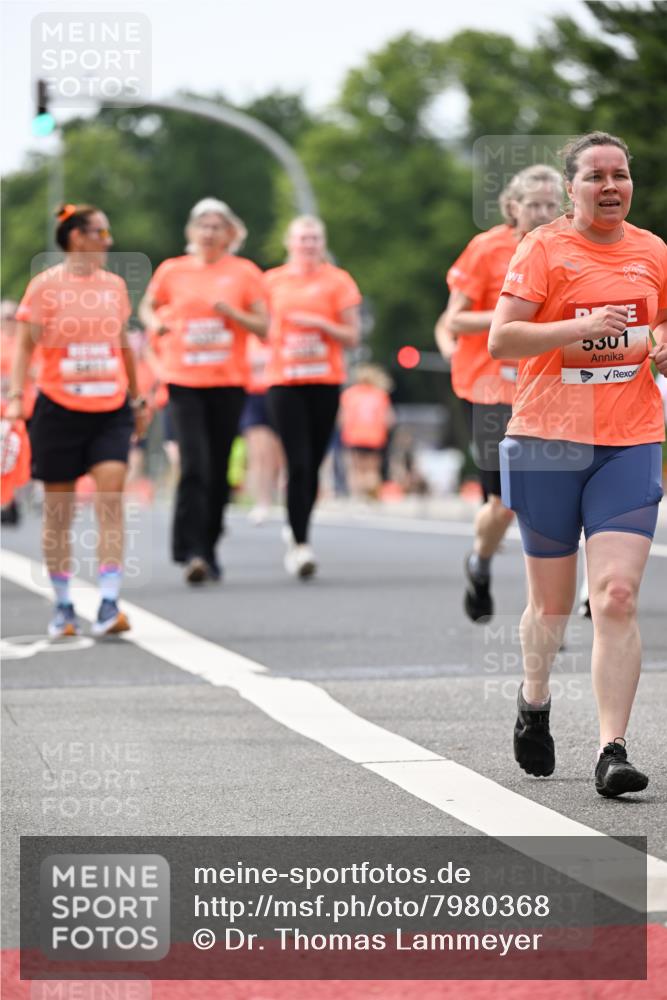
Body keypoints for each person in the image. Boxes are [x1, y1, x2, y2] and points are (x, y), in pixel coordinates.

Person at [489, 132, 667, 798]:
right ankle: (533, 699)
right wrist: (578, 330)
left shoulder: (653, 251)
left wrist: (659, 345)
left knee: (616, 596)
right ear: (571, 189)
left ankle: (611, 749)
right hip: (546, 441)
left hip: (629, 438)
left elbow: (661, 322)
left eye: (620, 175)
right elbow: (502, 337)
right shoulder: (542, 248)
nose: (610, 187)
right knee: (552, 606)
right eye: (594, 176)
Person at [6, 203, 149, 637]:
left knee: (110, 495)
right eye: (101, 233)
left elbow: (123, 344)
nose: (108, 242)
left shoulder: (114, 287)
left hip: (110, 408)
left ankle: (109, 601)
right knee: (60, 512)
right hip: (58, 407)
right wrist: (15, 397)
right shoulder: (45, 287)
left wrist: (138, 397)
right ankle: (63, 605)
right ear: (76, 238)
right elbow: (25, 349)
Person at [437, 165, 563, 622]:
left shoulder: (567, 247)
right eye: (535, 205)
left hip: (547, 388)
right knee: (503, 503)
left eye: (552, 205)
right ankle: (481, 561)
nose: (544, 213)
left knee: (545, 499)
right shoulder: (486, 248)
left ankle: (546, 610)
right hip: (490, 388)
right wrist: (513, 317)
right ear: (513, 206)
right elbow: (455, 319)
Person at [139, 198, 268, 584]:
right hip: (183, 380)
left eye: (217, 226)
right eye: (203, 225)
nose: (209, 232)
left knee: (217, 467)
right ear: (191, 231)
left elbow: (264, 327)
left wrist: (233, 314)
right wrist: (154, 324)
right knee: (194, 464)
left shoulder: (245, 273)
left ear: (231, 233)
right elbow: (147, 307)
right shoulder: (172, 270)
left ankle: (209, 548)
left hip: (228, 382)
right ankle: (190, 550)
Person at [265, 216, 362, 578]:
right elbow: (258, 328)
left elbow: (353, 337)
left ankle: (297, 522)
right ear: (289, 242)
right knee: (299, 461)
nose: (308, 244)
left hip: (324, 380)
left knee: (315, 461)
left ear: (323, 243)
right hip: (284, 382)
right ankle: (301, 544)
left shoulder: (338, 281)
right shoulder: (271, 281)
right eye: (302, 238)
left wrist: (321, 324)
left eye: (315, 238)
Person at [240, 332, 284, 524]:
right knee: (258, 452)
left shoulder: (278, 336)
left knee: (277, 454)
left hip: (278, 393)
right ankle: (261, 501)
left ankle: (282, 496)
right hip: (253, 397)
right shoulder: (247, 339)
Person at [339, 364, 394, 500]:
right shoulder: (380, 395)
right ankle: (370, 495)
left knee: (356, 468)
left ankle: (357, 496)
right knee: (372, 469)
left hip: (354, 436)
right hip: (375, 436)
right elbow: (389, 419)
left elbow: (342, 417)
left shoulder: (349, 394)